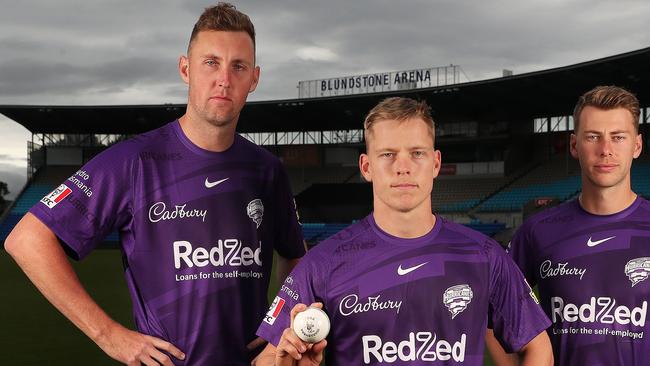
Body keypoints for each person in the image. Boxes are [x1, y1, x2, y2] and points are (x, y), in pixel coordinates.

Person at [4, 3, 305, 365]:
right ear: (185, 69)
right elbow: (26, 239)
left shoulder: (267, 170)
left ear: (253, 79)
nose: (224, 78)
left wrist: (277, 327)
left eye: (238, 66)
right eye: (211, 62)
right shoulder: (133, 161)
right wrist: (109, 335)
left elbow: (295, 254)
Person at [254, 97, 553, 365]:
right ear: (366, 166)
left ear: (435, 163)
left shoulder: (485, 256)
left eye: (417, 153)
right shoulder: (321, 263)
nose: (403, 167)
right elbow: (267, 357)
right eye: (387, 155)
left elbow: (537, 347)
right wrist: (285, 362)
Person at [485, 85, 649, 365]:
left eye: (618, 137)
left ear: (637, 145)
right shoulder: (537, 232)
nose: (605, 150)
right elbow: (492, 311)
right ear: (575, 145)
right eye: (593, 137)